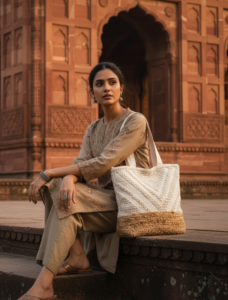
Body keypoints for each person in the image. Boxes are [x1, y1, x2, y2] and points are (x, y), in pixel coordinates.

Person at [18, 62, 150, 300]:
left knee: (62, 191)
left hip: (131, 203)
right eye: (99, 84)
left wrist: (48, 172)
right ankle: (76, 256)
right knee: (58, 188)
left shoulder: (135, 122)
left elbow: (102, 163)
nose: (106, 88)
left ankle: (45, 284)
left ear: (122, 88)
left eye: (112, 82)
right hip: (106, 201)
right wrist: (67, 177)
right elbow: (82, 161)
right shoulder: (93, 128)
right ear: (92, 93)